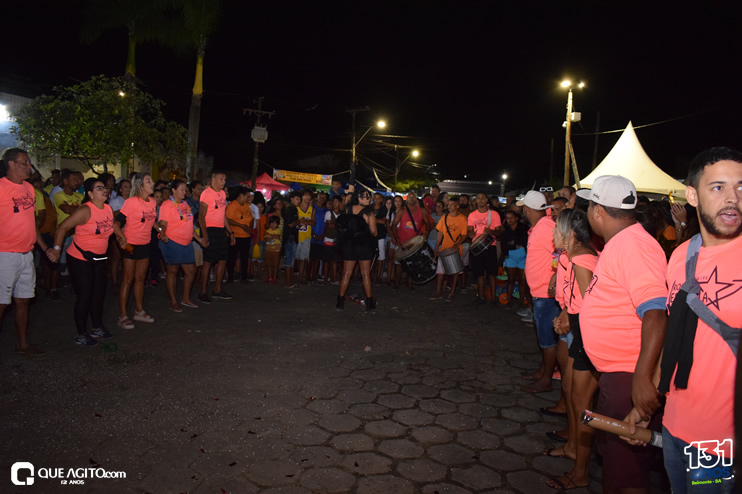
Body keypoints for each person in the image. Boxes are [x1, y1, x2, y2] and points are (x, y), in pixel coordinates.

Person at [626, 148, 742, 493]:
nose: (733, 198)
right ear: (692, 195)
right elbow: (676, 337)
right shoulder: (681, 256)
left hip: (723, 446)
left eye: (741, 187)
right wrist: (647, 404)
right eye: (718, 187)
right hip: (675, 429)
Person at [576, 175, 668, 493]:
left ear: (598, 210)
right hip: (619, 375)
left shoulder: (634, 246)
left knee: (626, 474)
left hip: (629, 377)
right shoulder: (621, 242)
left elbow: (656, 312)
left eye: (589, 207)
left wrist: (642, 379)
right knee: (617, 465)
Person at [544, 209, 600, 491]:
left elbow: (592, 305)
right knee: (569, 389)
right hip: (578, 329)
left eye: (557, 229)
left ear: (570, 233)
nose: (554, 234)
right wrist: (565, 312)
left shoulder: (582, 259)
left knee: (582, 403)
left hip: (587, 335)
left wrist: (569, 316)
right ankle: (572, 446)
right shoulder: (574, 256)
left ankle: (581, 468)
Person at [0, 148, 55, 356]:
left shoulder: (29, 189)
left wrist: (45, 248)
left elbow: (31, 223)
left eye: (29, 163)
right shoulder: (1, 188)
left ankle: (22, 344)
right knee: (2, 302)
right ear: (11, 164)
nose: (29, 167)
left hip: (26, 254)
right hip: (5, 255)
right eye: (24, 163)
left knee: (23, 300)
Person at [51, 177, 115, 346]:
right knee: (85, 295)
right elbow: (62, 228)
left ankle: (97, 327)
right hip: (80, 258)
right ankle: (81, 334)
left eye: (105, 188)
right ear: (90, 194)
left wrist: (122, 237)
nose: (104, 190)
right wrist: (56, 249)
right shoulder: (85, 210)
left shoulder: (108, 209)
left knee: (98, 294)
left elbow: (112, 224)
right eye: (99, 188)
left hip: (99, 258)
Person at [519, 191, 560, 393]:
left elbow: (560, 253)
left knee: (547, 339)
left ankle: (546, 379)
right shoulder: (541, 226)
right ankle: (544, 370)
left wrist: (555, 276)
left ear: (527, 209)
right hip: (541, 292)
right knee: (544, 336)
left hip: (546, 294)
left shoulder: (545, 227)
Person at [113, 173, 160, 329]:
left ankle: (139, 311)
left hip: (145, 243)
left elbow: (152, 221)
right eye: (148, 181)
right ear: (140, 185)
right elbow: (116, 223)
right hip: (130, 244)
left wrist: (161, 231)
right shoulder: (131, 202)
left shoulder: (152, 202)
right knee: (128, 279)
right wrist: (121, 238)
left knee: (140, 278)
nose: (152, 183)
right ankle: (122, 315)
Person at [158, 179, 205, 312]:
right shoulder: (167, 205)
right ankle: (173, 301)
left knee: (191, 270)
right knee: (173, 271)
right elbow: (162, 224)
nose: (185, 192)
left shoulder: (185, 204)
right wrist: (162, 233)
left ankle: (185, 298)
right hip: (173, 242)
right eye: (182, 189)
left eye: (185, 189)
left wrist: (199, 239)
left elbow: (189, 225)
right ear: (173, 190)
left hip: (187, 242)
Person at [336, 189, 378, 310]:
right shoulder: (369, 213)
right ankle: (369, 302)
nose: (369, 199)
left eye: (369, 196)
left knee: (346, 273)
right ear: (359, 198)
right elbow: (374, 232)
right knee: (365, 273)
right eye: (366, 197)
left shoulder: (348, 209)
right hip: (363, 245)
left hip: (349, 244)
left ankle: (340, 301)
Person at [198, 170, 235, 303]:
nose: (224, 182)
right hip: (209, 229)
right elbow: (201, 216)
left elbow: (222, 214)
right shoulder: (206, 194)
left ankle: (217, 289)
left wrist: (230, 232)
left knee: (223, 259)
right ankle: (202, 292)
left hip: (220, 230)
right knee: (208, 261)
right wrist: (205, 236)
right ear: (213, 180)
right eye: (221, 179)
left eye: (224, 179)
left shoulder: (222, 194)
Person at [390, 192, 433, 290]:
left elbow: (428, 223)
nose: (412, 199)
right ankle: (397, 283)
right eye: (410, 197)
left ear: (416, 199)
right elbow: (393, 225)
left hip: (414, 242)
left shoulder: (422, 211)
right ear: (407, 199)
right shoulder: (402, 211)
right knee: (399, 264)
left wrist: (426, 234)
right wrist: (396, 238)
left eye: (414, 197)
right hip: (402, 241)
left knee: (413, 264)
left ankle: (410, 284)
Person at [467, 192, 503, 306]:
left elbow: (499, 231)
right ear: (476, 201)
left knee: (491, 273)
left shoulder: (494, 214)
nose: (481, 200)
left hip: (490, 245)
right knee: (479, 273)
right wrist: (470, 233)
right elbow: (469, 230)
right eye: (478, 198)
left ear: (487, 200)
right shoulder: (472, 215)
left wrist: (491, 232)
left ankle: (493, 299)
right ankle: (481, 297)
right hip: (477, 247)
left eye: (483, 198)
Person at [431, 196, 467, 300]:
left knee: (455, 272)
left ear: (457, 206)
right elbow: (440, 233)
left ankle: (452, 292)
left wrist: (457, 244)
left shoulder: (462, 219)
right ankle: (438, 291)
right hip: (444, 248)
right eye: (449, 205)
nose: (449, 207)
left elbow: (464, 235)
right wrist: (437, 247)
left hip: (455, 250)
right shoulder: (445, 217)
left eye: (452, 205)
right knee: (440, 271)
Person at [501, 210, 529, 309]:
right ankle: (509, 301)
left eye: (511, 217)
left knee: (522, 281)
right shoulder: (505, 229)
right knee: (511, 280)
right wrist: (515, 245)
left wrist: (512, 244)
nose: (509, 220)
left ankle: (521, 302)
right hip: (510, 257)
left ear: (516, 218)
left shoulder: (523, 228)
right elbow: (504, 244)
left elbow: (523, 242)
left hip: (522, 257)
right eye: (507, 218)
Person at [225, 186, 254, 284]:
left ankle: (244, 277)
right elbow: (227, 220)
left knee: (244, 257)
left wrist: (250, 227)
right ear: (241, 195)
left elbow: (251, 218)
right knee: (232, 257)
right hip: (235, 236)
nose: (248, 199)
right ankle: (230, 277)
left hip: (246, 236)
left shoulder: (246, 206)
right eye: (247, 196)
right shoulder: (232, 205)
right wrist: (241, 225)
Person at [295, 189, 316, 284]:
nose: (307, 197)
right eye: (305, 195)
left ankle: (300, 276)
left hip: (306, 237)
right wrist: (300, 221)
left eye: (309, 195)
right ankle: (294, 275)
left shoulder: (312, 209)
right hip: (297, 236)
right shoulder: (297, 208)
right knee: (296, 258)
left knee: (303, 259)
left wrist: (307, 222)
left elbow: (314, 222)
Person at [282, 191, 302, 288]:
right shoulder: (290, 209)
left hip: (292, 237)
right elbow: (290, 224)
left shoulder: (293, 209)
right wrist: (299, 221)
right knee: (289, 261)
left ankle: (290, 281)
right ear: (291, 199)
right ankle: (288, 282)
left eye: (299, 199)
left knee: (291, 260)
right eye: (297, 199)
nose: (299, 201)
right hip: (290, 238)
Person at [309, 192, 328, 283]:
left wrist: (322, 235)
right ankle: (308, 275)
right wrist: (313, 234)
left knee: (317, 258)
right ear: (316, 198)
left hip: (321, 238)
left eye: (324, 197)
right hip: (311, 237)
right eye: (320, 197)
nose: (322, 199)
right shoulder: (311, 208)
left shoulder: (326, 211)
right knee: (310, 258)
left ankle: (314, 276)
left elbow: (327, 225)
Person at [371, 193, 388, 283]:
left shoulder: (383, 209)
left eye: (378, 198)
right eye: (375, 198)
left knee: (381, 256)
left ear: (381, 200)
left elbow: (383, 221)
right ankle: (371, 274)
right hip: (370, 235)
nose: (376, 200)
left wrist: (372, 220)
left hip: (380, 235)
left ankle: (379, 276)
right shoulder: (370, 208)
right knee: (371, 255)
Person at [264, 215, 282, 283]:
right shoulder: (267, 231)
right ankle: (269, 276)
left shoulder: (279, 231)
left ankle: (274, 277)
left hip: (276, 250)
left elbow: (278, 237)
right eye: (271, 223)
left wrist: (271, 236)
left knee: (275, 264)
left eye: (275, 223)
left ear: (277, 224)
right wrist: (273, 236)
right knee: (268, 264)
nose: (273, 225)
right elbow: (266, 238)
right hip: (268, 249)